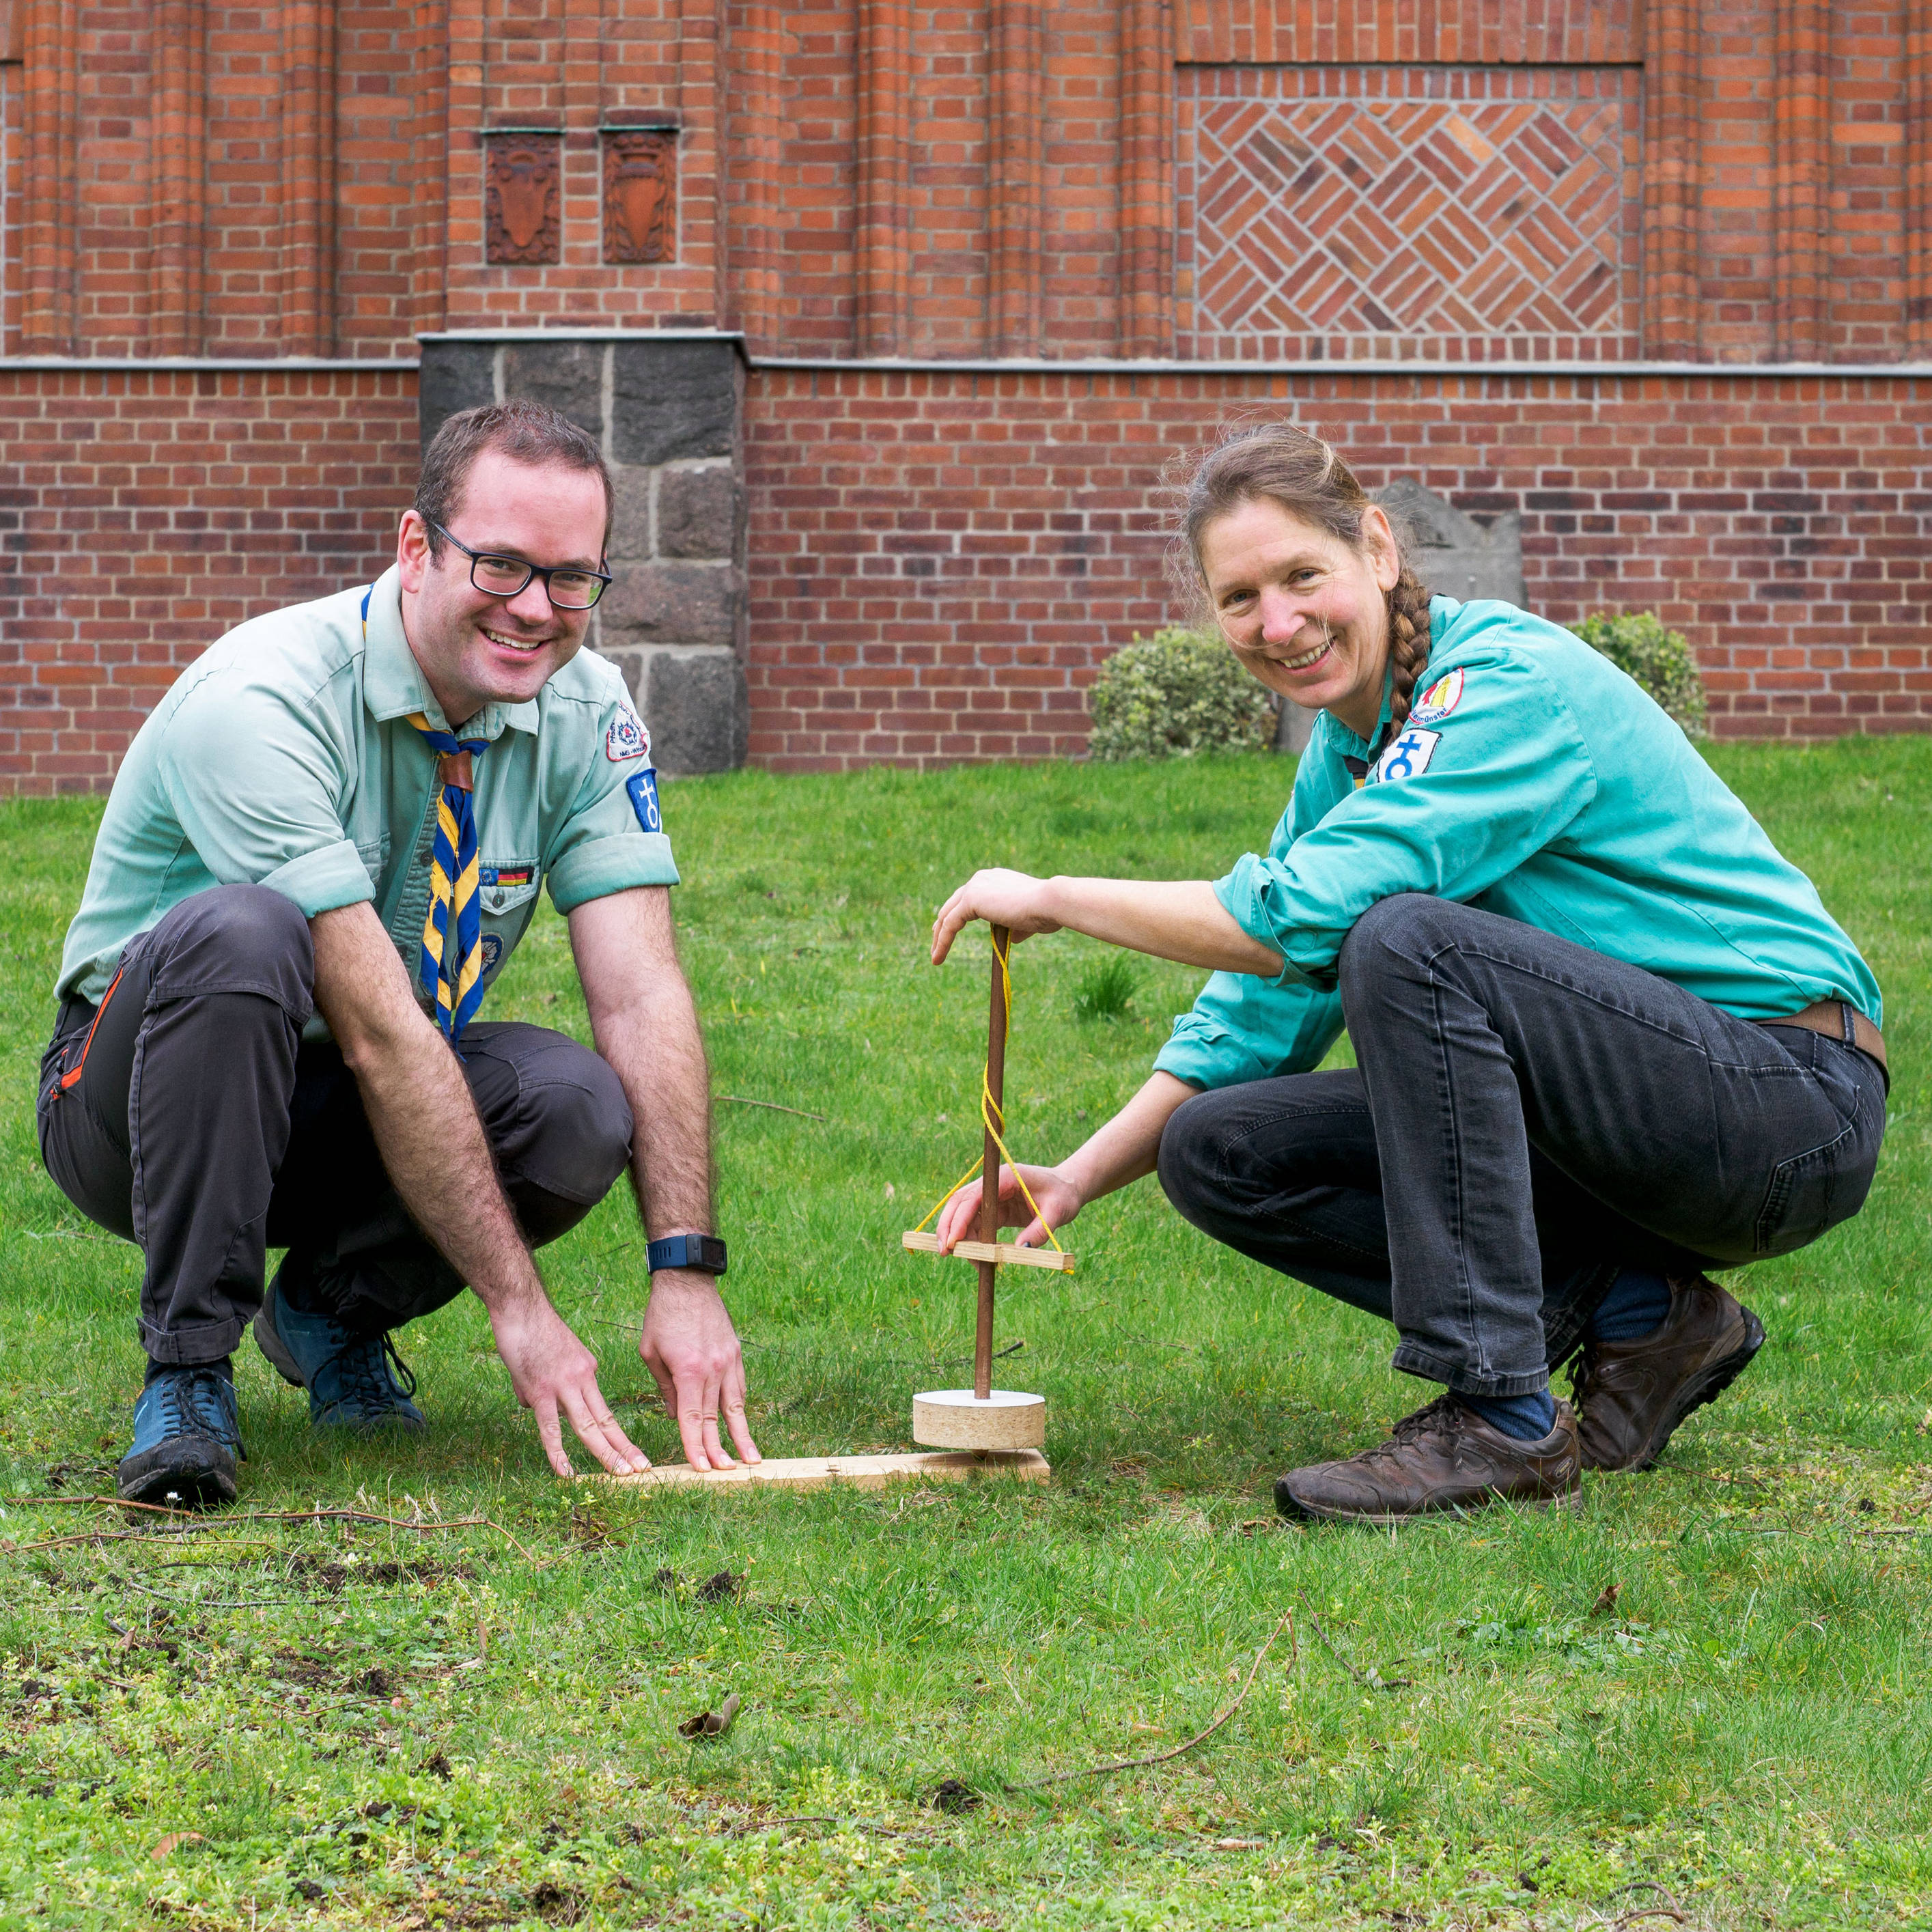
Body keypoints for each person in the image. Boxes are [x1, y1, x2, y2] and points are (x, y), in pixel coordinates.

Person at [929, 422, 1887, 1524]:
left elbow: (1290, 920)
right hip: (1627, 1133)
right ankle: (1643, 1315)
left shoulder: (1502, 683)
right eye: (1240, 598)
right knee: (1220, 1148)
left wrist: (1053, 895)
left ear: (1376, 548)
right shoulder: (1352, 751)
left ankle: (1500, 1416)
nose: (1277, 623)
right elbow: (1263, 1004)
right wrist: (1077, 1176)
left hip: (1782, 1104)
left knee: (1404, 940)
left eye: (1301, 575)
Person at [38, 400, 760, 1507]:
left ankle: (330, 1310)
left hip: (358, 1091)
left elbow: (643, 989)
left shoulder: (587, 705)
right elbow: (378, 1029)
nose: (536, 609)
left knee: (576, 1105)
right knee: (246, 931)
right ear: (416, 547)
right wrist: (520, 1312)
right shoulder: (264, 699)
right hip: (138, 1103)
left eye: (572, 578)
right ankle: (186, 1372)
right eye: (504, 564)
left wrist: (685, 1268)